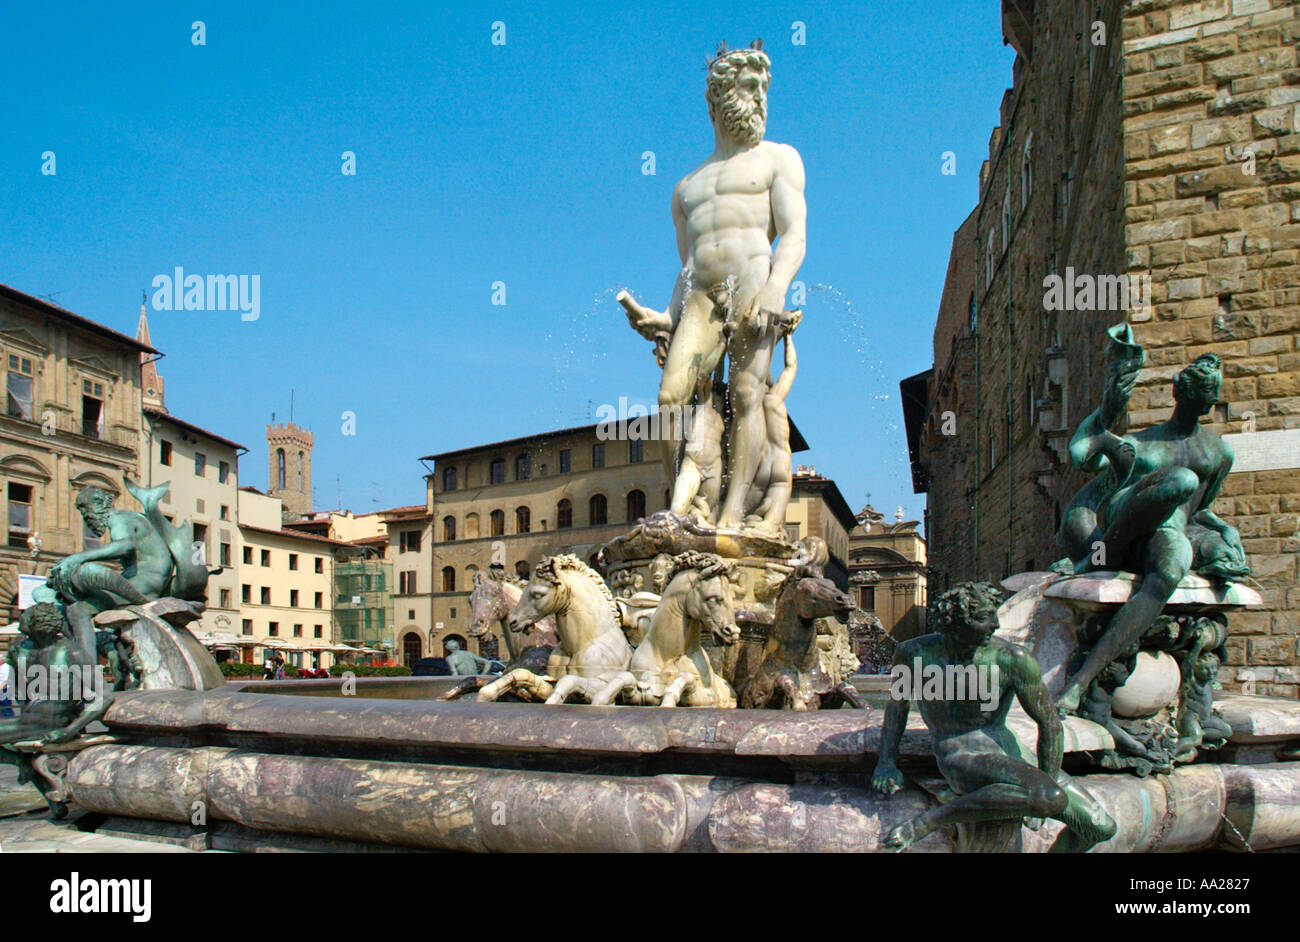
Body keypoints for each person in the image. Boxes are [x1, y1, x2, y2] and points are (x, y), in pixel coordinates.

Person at [620, 41, 806, 529]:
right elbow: (687, 266)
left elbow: (794, 233)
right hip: (702, 296)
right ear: (719, 99)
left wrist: (776, 286)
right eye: (750, 87)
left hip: (754, 286)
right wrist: (665, 316)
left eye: (764, 88)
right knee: (669, 400)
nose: (760, 97)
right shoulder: (687, 187)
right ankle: (693, 502)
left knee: (747, 395)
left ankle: (730, 514)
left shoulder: (778, 159)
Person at [1055, 341, 1246, 713]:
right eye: (1206, 394)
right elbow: (1081, 454)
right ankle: (1100, 557)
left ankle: (1082, 680)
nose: (1210, 403)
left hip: (1167, 532)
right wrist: (1109, 402)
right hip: (1122, 530)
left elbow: (1199, 511)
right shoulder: (1142, 443)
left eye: (1214, 396)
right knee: (1181, 481)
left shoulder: (1219, 452)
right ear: (1182, 393)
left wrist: (1226, 531)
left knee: (1172, 566)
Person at [870, 583, 1116, 853]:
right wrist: (886, 761)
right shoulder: (914, 653)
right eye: (983, 618)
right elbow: (897, 707)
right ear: (954, 623)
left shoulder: (1011, 658)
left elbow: (1049, 724)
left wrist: (1045, 783)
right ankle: (921, 825)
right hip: (962, 753)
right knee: (1049, 796)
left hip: (1015, 755)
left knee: (1100, 827)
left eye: (993, 615)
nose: (995, 625)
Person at [0, 651, 13, 718]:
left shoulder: (6, 667)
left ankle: (11, 721)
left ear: (1, 660)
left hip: (4, 690)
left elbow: (5, 681)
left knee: (6, 708)